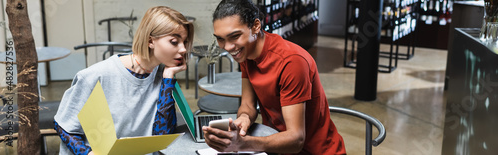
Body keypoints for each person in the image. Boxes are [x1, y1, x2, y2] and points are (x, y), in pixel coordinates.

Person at [202, 0, 346, 154]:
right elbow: (248, 105)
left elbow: (296, 139)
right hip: (277, 146)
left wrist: (243, 144)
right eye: (220, 39)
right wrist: (244, 118)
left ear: (256, 26)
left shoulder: (291, 62)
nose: (228, 47)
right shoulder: (245, 54)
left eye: (235, 36)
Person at [53, 6, 193, 155]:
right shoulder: (95, 76)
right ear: (150, 41)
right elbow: (63, 125)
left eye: (184, 42)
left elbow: (162, 138)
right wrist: (86, 153)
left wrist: (168, 79)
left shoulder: (164, 77)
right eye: (174, 42)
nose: (183, 49)